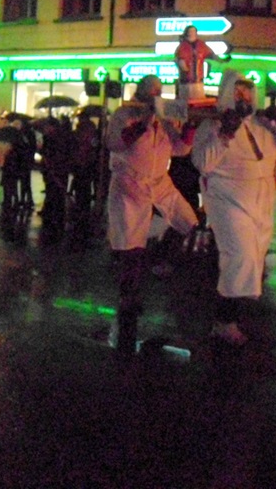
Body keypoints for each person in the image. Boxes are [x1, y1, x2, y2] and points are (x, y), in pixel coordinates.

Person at [191, 72, 276, 346]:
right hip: (228, 200)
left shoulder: (262, 126)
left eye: (248, 92)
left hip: (261, 202)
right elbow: (203, 163)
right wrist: (225, 133)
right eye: (238, 92)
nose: (244, 98)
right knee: (241, 257)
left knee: (252, 258)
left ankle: (232, 315)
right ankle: (224, 321)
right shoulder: (213, 126)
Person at [105, 74, 198, 354]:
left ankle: (160, 258)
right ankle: (128, 295)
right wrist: (145, 120)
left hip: (159, 183)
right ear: (141, 93)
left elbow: (180, 149)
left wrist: (188, 127)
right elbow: (116, 143)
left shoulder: (165, 118)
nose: (156, 96)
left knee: (189, 222)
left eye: (159, 92)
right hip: (129, 183)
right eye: (152, 92)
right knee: (131, 246)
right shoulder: (124, 114)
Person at [174, 25, 225, 101]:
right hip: (186, 82)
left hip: (198, 81)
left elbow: (210, 54)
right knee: (185, 102)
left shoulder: (201, 45)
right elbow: (180, 59)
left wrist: (220, 60)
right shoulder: (182, 46)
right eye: (190, 31)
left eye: (194, 31)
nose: (192, 33)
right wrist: (184, 67)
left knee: (199, 101)